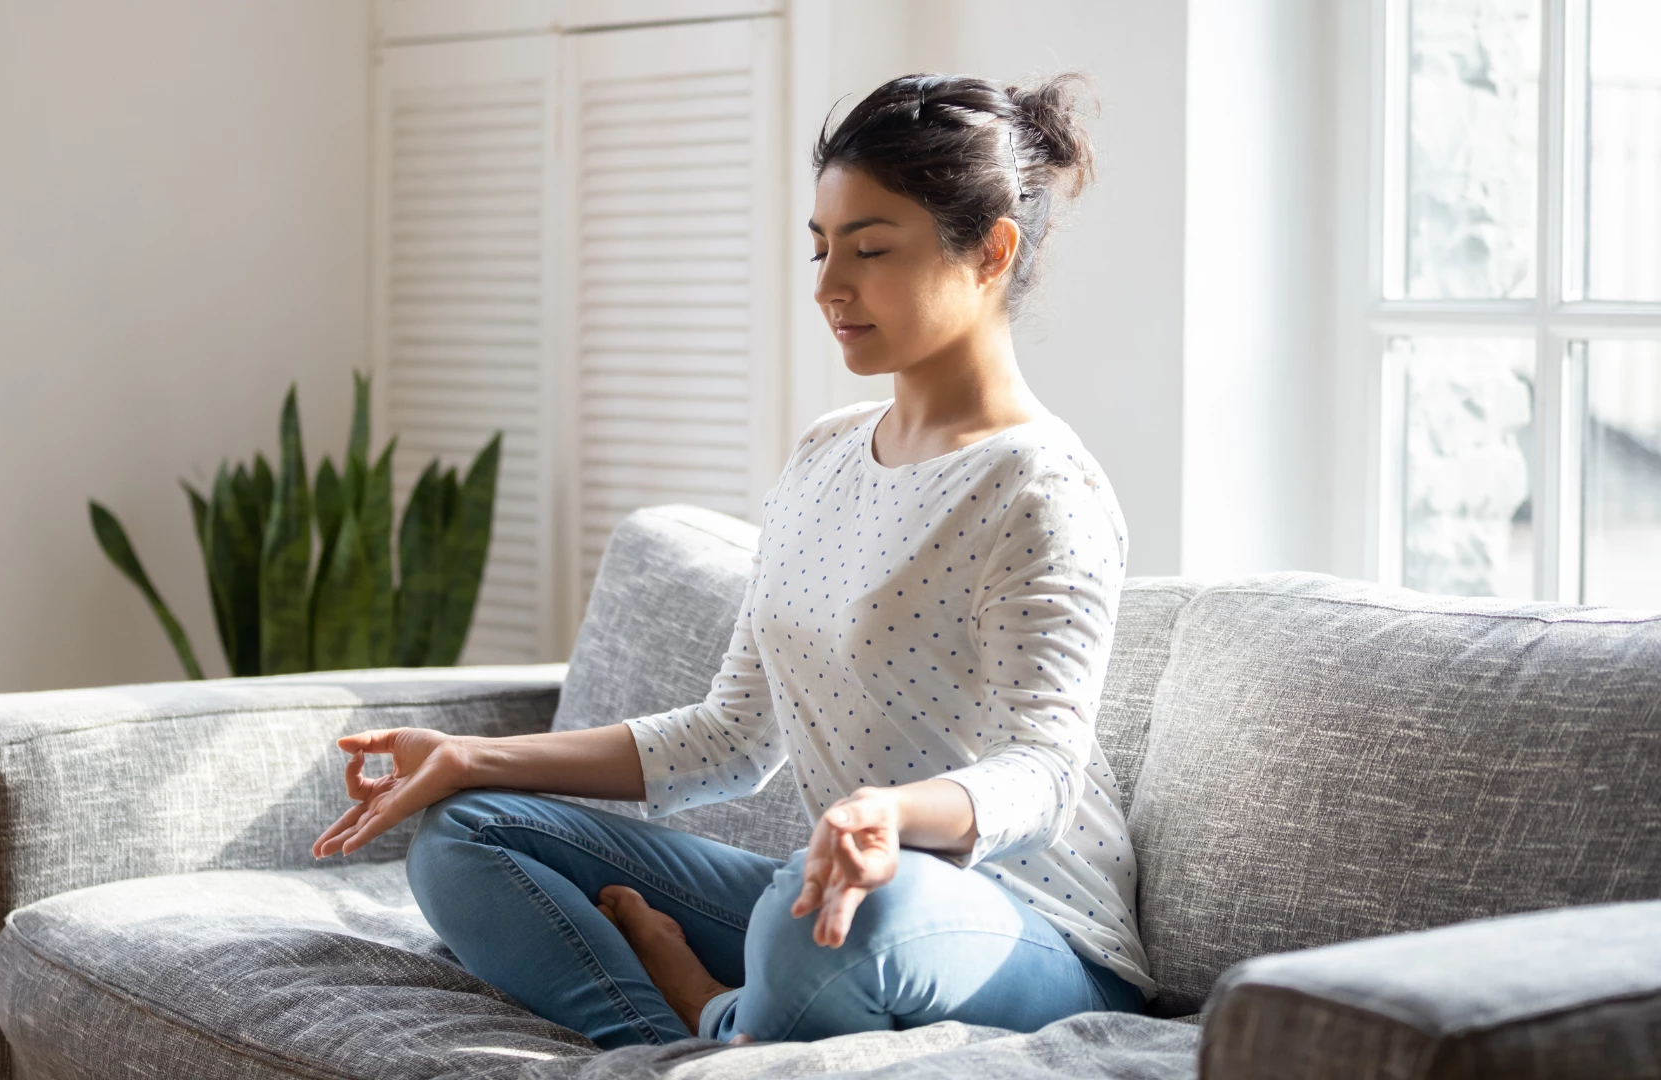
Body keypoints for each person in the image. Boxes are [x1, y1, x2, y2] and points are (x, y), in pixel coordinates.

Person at [311, 71, 1152, 1049]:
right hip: (829, 890)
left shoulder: (1039, 487)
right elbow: (731, 736)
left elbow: (1042, 773)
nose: (829, 286)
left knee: (830, 919)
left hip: (1028, 932)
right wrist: (468, 759)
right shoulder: (825, 455)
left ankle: (710, 1012)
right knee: (467, 833)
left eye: (871, 250)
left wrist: (891, 813)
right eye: (822, 246)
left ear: (990, 252)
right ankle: (669, 1049)